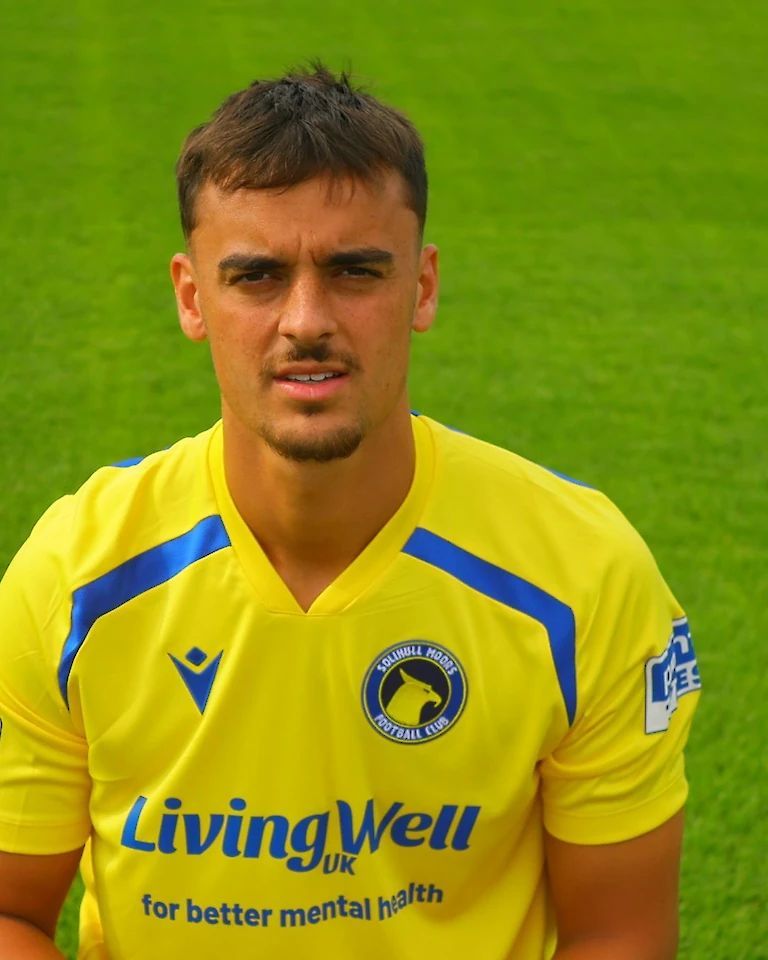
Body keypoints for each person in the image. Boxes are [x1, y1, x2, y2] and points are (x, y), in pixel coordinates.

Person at [0, 65, 701, 960]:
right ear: (191, 297)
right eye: (256, 276)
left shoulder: (581, 576)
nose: (306, 320)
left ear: (423, 286)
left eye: (354, 271)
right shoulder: (74, 578)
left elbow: (620, 932)